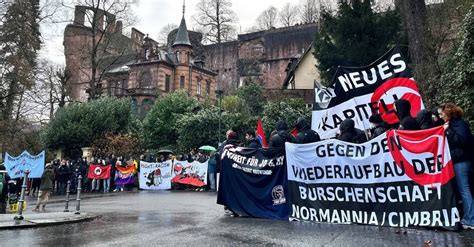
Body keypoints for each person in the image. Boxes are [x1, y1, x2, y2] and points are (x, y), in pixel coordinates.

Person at [440, 103, 474, 229]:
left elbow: (462, 140)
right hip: (460, 160)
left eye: (442, 113)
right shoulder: (458, 124)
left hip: (461, 161)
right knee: (465, 189)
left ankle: (470, 219)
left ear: (448, 113)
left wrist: (447, 131)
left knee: (464, 190)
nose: (441, 115)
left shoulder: (457, 125)